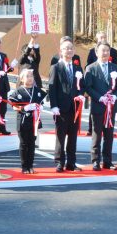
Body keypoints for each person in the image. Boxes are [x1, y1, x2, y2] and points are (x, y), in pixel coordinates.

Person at [84, 42, 117, 171]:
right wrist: (100, 98)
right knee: (97, 134)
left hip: (111, 106)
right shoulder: (91, 68)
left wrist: (115, 96)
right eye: (102, 50)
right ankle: (95, 160)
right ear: (96, 52)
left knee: (109, 135)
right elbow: (88, 87)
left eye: (107, 50)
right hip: (98, 105)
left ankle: (108, 161)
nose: (105, 53)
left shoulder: (115, 68)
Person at [48, 39, 85, 172]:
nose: (69, 51)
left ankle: (71, 163)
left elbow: (81, 85)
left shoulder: (78, 68)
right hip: (61, 108)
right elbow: (51, 88)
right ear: (61, 51)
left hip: (74, 108)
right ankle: (59, 162)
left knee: (73, 137)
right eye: (66, 48)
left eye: (71, 48)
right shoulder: (55, 67)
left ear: (74, 51)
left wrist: (81, 94)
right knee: (60, 136)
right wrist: (54, 106)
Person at [8, 69, 47, 174]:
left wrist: (40, 107)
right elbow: (13, 105)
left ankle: (31, 165)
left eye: (31, 76)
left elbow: (41, 102)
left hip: (34, 121)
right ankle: (24, 166)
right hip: (23, 121)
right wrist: (23, 108)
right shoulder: (18, 91)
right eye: (27, 76)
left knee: (32, 143)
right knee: (24, 143)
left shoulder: (37, 91)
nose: (30, 78)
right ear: (22, 79)